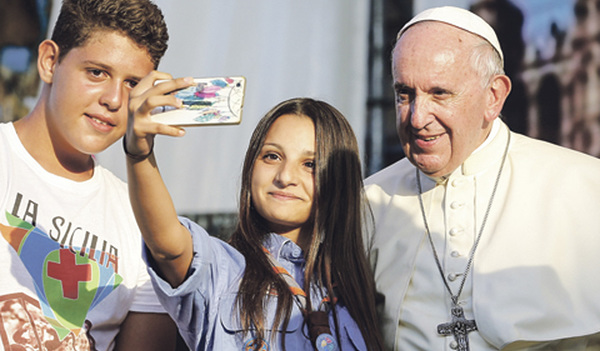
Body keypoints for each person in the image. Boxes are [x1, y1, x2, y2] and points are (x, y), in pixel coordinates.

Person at [365, 5, 600, 351]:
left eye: (439, 93)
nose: (417, 118)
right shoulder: (368, 201)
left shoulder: (586, 188)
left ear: (493, 96)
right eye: (405, 94)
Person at [123, 90, 384, 350]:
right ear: (251, 166)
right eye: (272, 156)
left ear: (339, 179)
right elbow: (167, 247)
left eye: (310, 164)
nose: (285, 177)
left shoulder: (360, 284)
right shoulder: (221, 269)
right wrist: (139, 154)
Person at [0, 0, 179, 350]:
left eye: (132, 84)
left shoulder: (141, 219)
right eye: (97, 72)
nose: (114, 99)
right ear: (50, 61)